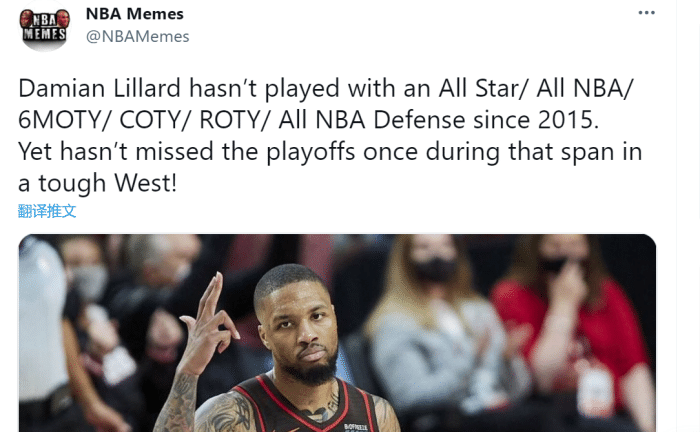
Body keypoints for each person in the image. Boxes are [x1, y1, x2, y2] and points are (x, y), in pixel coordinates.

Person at [153, 264, 400, 432]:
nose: (307, 335)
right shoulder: (234, 415)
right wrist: (188, 372)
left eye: (317, 316)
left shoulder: (376, 415)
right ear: (265, 337)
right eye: (286, 324)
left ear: (334, 317)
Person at [364, 234, 542, 432]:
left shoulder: (478, 309)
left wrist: (508, 360)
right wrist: (470, 360)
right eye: (424, 247)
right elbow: (409, 397)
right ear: (405, 259)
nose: (437, 254)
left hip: (499, 413)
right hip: (451, 422)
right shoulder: (394, 322)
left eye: (445, 245)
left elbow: (518, 391)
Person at [490, 234, 655, 432]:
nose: (567, 254)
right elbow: (543, 378)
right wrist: (564, 305)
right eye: (555, 246)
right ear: (536, 249)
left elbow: (634, 369)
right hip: (551, 416)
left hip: (610, 414)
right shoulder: (511, 294)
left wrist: (647, 426)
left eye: (575, 244)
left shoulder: (607, 292)